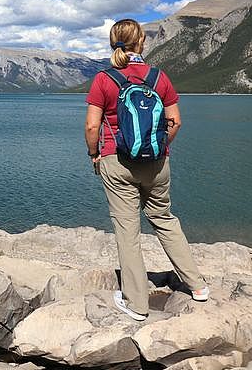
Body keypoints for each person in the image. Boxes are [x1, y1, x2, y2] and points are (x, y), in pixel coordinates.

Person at [85, 18, 209, 321]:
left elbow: (91, 125)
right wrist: (160, 147)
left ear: (113, 43)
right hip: (157, 162)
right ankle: (198, 286)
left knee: (128, 231)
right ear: (141, 42)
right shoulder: (158, 78)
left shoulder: (105, 79)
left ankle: (137, 304)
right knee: (164, 219)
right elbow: (175, 121)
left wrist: (94, 155)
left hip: (117, 162)